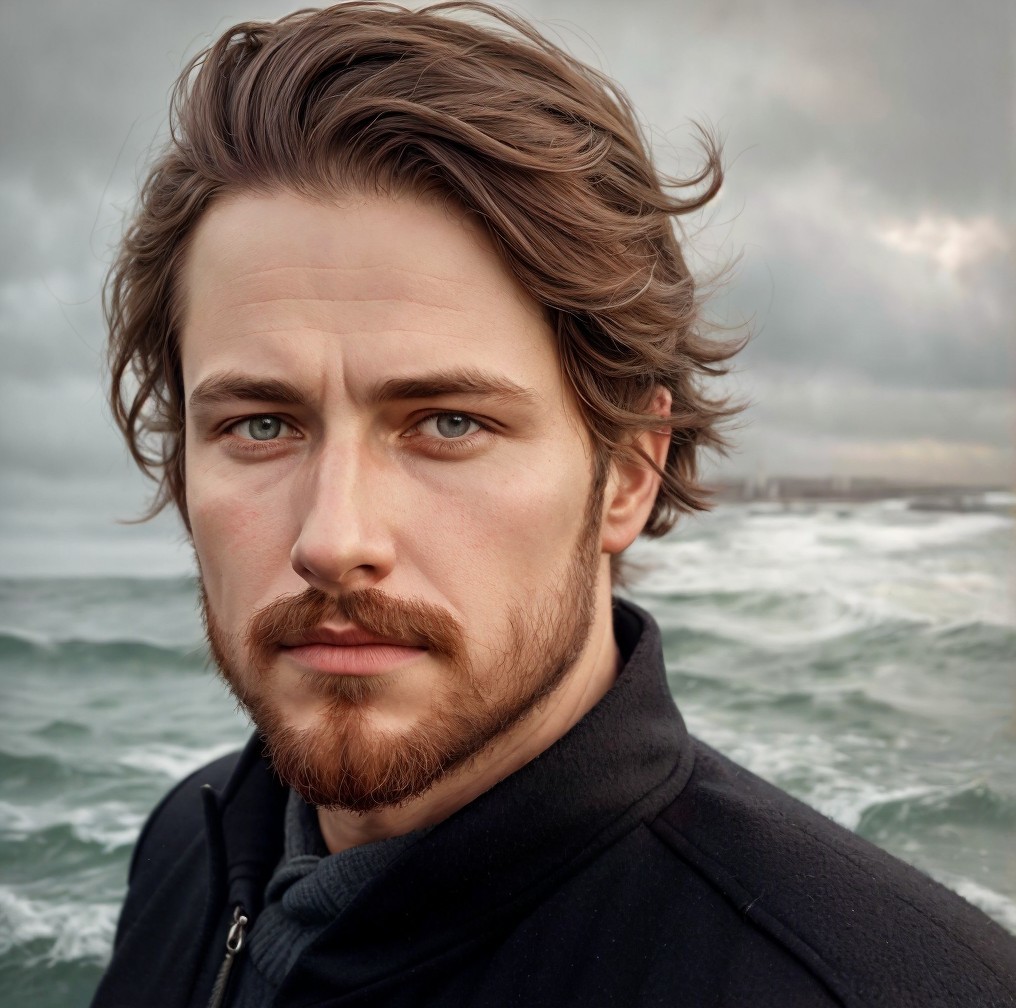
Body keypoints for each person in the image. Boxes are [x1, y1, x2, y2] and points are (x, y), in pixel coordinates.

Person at [91, 3, 1015, 1006]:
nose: (333, 539)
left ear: (624, 473)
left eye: (447, 424)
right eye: (261, 426)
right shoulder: (193, 842)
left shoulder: (888, 989)